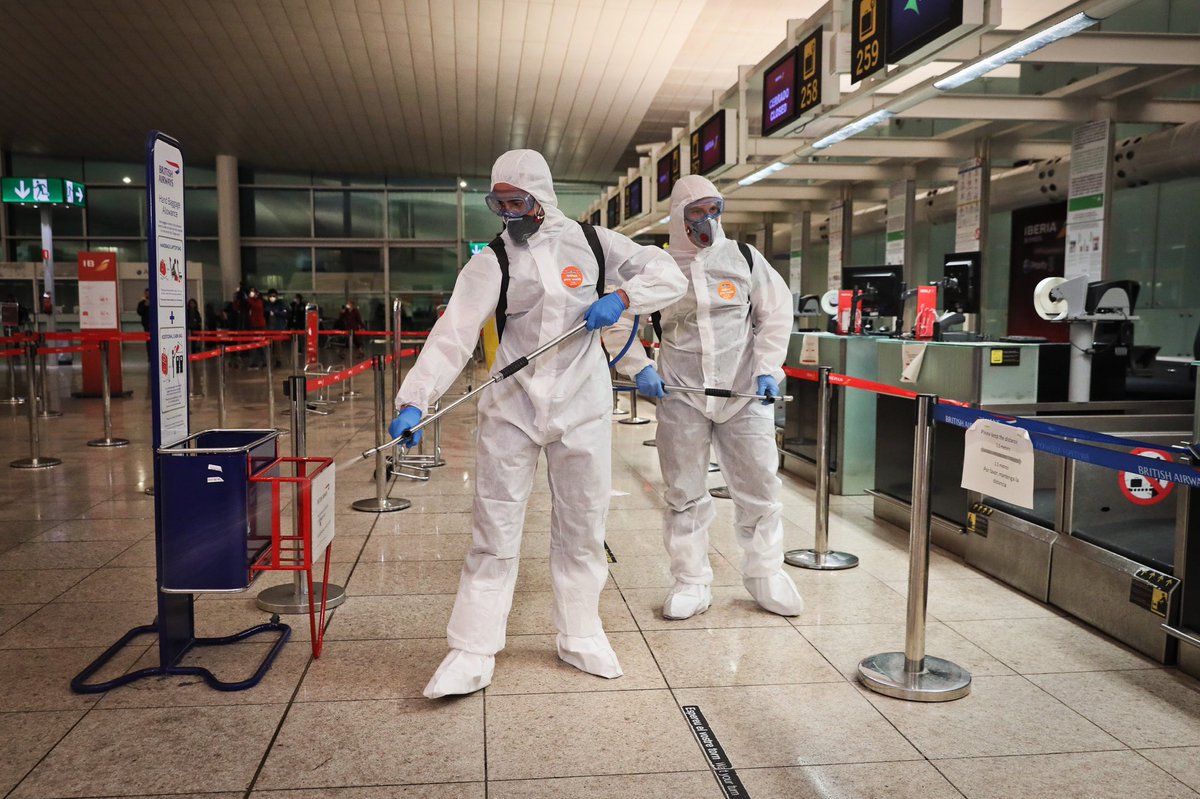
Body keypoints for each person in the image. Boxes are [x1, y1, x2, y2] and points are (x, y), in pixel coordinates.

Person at [390, 149, 686, 699]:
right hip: (511, 406)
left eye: (516, 202)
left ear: (541, 198)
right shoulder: (492, 262)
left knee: (582, 525)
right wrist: (416, 400)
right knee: (494, 528)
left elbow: (669, 274)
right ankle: (473, 649)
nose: (508, 214)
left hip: (584, 406)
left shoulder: (596, 244)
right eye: (498, 204)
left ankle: (580, 633)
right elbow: (453, 333)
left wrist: (622, 296)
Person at [602, 175, 803, 621]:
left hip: (743, 394)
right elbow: (617, 318)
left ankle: (765, 574)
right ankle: (691, 581)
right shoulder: (659, 268)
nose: (707, 220)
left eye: (714, 210)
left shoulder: (745, 258)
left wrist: (769, 370)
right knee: (684, 491)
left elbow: (775, 314)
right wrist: (640, 367)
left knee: (759, 487)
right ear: (678, 217)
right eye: (696, 212)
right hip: (682, 394)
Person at [264, 289, 289, 367]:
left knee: (278, 345)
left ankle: (278, 360)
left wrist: (276, 312)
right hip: (269, 328)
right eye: (270, 296)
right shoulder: (266, 305)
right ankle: (268, 360)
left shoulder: (281, 304)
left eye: (274, 296)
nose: (272, 298)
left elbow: (285, 314)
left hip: (279, 328)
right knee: (268, 346)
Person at [136, 288, 152, 363]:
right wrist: (145, 305)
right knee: (148, 342)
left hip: (155, 325)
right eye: (146, 293)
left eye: (149, 293)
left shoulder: (156, 302)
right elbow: (139, 312)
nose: (148, 294)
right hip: (146, 325)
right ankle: (150, 357)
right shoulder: (142, 303)